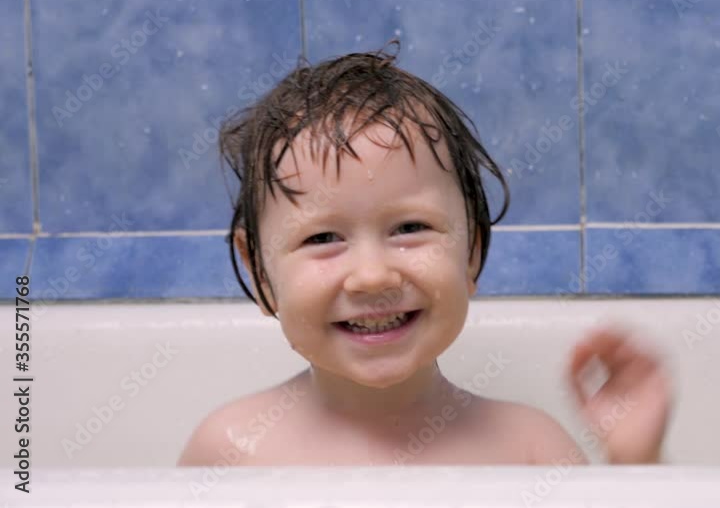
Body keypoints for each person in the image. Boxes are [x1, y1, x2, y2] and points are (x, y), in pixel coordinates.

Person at [177, 42, 672, 466]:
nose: (372, 276)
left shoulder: (529, 450)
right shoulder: (231, 450)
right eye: (323, 238)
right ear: (258, 270)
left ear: (472, 251)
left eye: (410, 228)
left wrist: (635, 466)